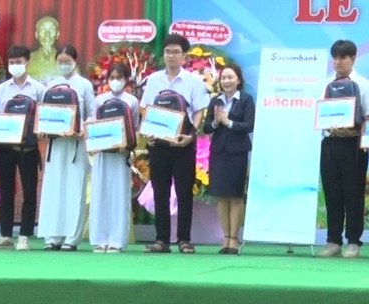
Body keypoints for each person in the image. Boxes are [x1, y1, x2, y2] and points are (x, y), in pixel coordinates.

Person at [141, 33, 210, 254]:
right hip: (158, 144)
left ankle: (184, 240)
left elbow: (199, 111)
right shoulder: (153, 80)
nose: (171, 56)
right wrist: (148, 133)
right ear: (163, 55)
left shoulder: (193, 81)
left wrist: (192, 135)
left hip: (183, 143)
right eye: (168, 52)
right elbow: (146, 108)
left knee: (184, 192)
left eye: (176, 52)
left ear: (184, 56)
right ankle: (161, 240)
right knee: (160, 191)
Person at [317, 39, 369, 259]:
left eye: (342, 57)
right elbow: (320, 115)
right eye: (335, 57)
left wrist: (354, 132)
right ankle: (333, 241)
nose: (338, 61)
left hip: (353, 145)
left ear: (353, 58)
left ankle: (353, 242)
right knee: (332, 192)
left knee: (353, 194)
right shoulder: (326, 84)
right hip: (330, 144)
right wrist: (329, 127)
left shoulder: (364, 85)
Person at [0, 45, 46, 251]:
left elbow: (44, 117)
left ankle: (24, 236)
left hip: (29, 147)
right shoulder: (1, 89)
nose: (15, 65)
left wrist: (40, 131)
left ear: (27, 62)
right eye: (11, 62)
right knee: (6, 190)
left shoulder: (38, 89)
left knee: (29, 191)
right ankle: (5, 235)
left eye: (18, 62)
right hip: (5, 147)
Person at [38, 44, 96, 251]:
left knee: (75, 189)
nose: (63, 65)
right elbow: (43, 114)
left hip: (75, 145)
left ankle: (72, 238)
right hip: (55, 145)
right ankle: (52, 237)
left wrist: (83, 130)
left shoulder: (84, 85)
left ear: (75, 61)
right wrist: (42, 129)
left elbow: (92, 113)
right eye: (60, 61)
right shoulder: (51, 85)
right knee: (53, 189)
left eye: (67, 61)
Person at [88, 63, 141, 253]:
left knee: (119, 195)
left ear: (126, 80)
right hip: (102, 155)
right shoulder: (99, 100)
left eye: (119, 77)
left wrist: (127, 146)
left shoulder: (132, 101)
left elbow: (135, 128)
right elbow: (92, 123)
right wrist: (94, 142)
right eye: (112, 78)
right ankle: (99, 239)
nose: (115, 81)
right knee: (100, 194)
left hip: (121, 156)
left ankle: (117, 241)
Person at [204, 61, 254, 255]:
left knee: (235, 195)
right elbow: (206, 127)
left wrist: (228, 122)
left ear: (238, 80)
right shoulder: (215, 101)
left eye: (230, 77)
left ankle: (234, 238)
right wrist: (216, 122)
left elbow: (249, 125)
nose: (226, 81)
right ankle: (225, 237)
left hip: (237, 153)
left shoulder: (246, 100)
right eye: (223, 77)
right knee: (221, 196)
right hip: (218, 153)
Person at [27, 15, 61, 82]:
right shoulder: (27, 60)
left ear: (57, 34)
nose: (47, 34)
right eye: (42, 30)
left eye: (52, 30)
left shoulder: (68, 61)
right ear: (36, 34)